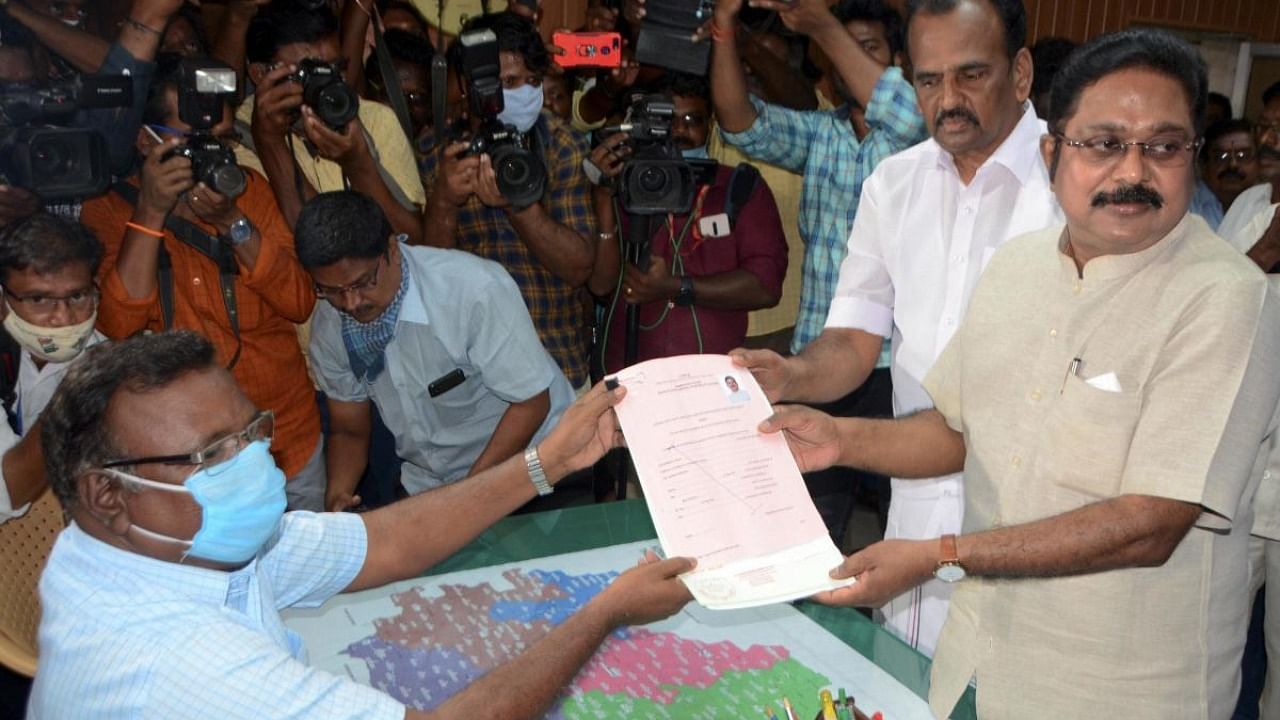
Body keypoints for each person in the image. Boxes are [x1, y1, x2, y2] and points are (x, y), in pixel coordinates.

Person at [765, 28, 1280, 717]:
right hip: (981, 660)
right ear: (1052, 152)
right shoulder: (1019, 267)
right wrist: (839, 439)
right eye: (1102, 143)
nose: (1133, 170)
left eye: (1164, 146)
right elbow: (956, 431)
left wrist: (939, 555)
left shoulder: (1228, 298)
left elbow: (1150, 522)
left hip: (1122, 690)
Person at [27, 329, 694, 718]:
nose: (256, 463)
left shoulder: (169, 543)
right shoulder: (178, 668)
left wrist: (544, 463)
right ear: (107, 494)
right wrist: (605, 613)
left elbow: (388, 541)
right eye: (212, 455)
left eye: (252, 432)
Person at [731, 0, 1062, 655]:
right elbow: (854, 342)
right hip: (914, 504)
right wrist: (793, 374)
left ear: (1020, 73)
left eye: (971, 75)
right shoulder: (894, 182)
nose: (948, 99)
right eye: (929, 80)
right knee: (908, 686)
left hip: (1038, 511)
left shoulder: (1072, 179)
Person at [711, 0, 926, 546]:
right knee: (810, 523)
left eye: (867, 47)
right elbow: (739, 120)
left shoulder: (925, 136)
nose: (848, 57)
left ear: (900, 61)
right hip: (821, 360)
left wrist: (824, 27)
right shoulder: (820, 134)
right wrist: (723, 29)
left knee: (900, 527)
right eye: (840, 48)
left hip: (900, 368)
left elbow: (903, 113)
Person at [80, 54, 325, 511]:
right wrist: (151, 211)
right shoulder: (109, 211)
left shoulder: (250, 190)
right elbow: (118, 322)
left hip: (283, 436)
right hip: (185, 454)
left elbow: (299, 301)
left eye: (222, 140)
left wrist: (233, 221)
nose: (211, 156)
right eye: (193, 142)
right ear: (145, 139)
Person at [297, 191, 574, 509]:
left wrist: (467, 501)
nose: (350, 303)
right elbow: (348, 430)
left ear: (392, 249)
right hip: (434, 486)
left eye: (363, 283)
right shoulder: (331, 327)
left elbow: (531, 403)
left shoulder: (472, 291)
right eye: (330, 290)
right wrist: (337, 497)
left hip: (538, 464)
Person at [419, 11, 596, 389]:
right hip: (474, 375)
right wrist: (445, 202)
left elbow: (580, 267)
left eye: (533, 82)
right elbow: (428, 279)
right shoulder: (438, 153)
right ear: (469, 86)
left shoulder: (562, 144)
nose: (527, 95)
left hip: (556, 362)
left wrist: (517, 206)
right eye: (510, 82)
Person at [587, 72, 788, 372]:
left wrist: (675, 287)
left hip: (714, 376)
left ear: (711, 126)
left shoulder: (740, 187)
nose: (681, 131)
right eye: (669, 122)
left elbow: (765, 286)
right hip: (630, 371)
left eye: (694, 120)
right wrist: (603, 196)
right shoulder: (624, 182)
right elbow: (601, 285)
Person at [239, 1, 424, 242]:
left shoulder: (374, 119)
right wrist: (270, 141)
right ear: (261, 74)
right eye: (309, 73)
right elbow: (317, 243)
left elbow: (413, 242)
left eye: (335, 69)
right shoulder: (237, 139)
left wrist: (358, 163)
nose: (324, 83)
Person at [0, 213, 104, 524]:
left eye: (77, 296)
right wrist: (73, 396)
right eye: (39, 299)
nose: (63, 318)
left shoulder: (101, 356)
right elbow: (6, 494)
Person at [1201, 118, 1261, 214]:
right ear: (1204, 164)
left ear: (1258, 163)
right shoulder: (1184, 209)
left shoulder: (1269, 208)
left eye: (1243, 155)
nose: (1233, 165)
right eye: (1221, 156)